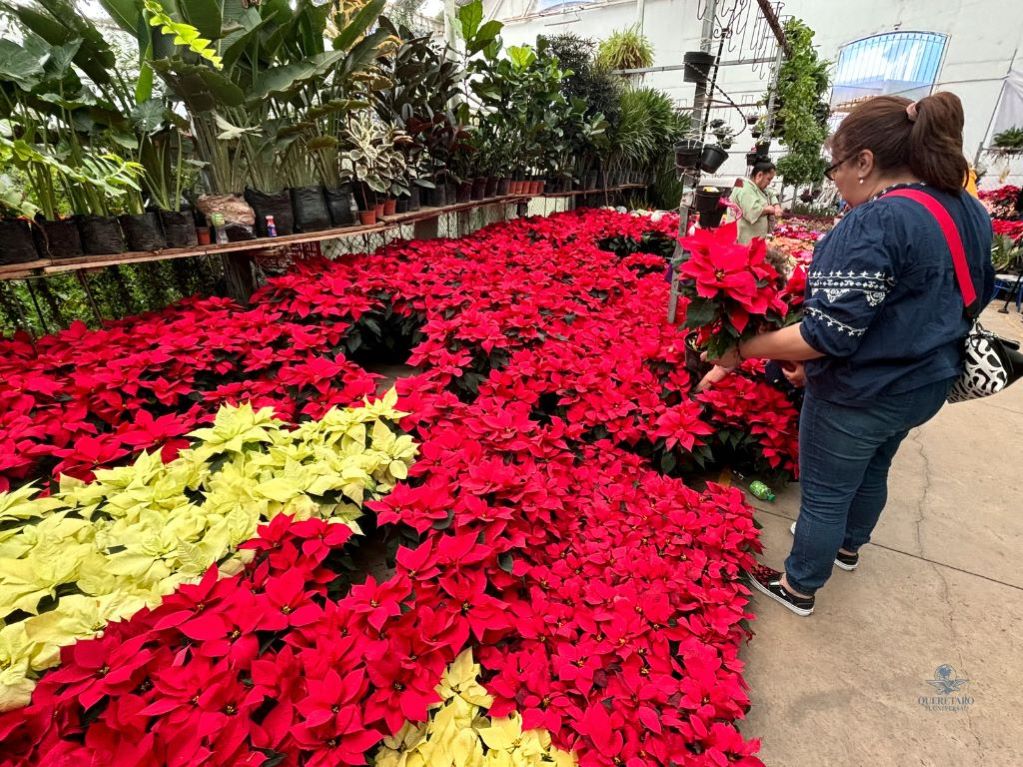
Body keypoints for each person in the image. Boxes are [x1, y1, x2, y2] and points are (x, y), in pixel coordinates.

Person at [706, 92, 996, 616]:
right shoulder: (970, 211)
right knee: (876, 467)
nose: (834, 178)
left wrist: (739, 349)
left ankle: (799, 587)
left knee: (824, 495)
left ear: (865, 162)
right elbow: (976, 292)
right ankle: (847, 548)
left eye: (835, 165)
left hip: (863, 392)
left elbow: (825, 336)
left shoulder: (876, 222)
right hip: (926, 384)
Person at [731, 160, 782, 244]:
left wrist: (776, 206)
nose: (769, 183)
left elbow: (770, 193)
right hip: (743, 242)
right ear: (759, 175)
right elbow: (751, 211)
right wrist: (768, 210)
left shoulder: (758, 187)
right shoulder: (745, 188)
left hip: (755, 242)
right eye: (769, 179)